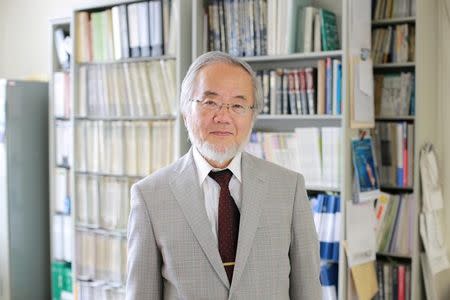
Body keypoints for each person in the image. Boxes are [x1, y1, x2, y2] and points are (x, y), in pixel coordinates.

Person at [126, 51, 321, 299]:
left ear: (252, 117)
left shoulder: (289, 188)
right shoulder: (149, 197)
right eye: (210, 102)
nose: (223, 117)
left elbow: (309, 291)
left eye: (238, 105)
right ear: (186, 112)